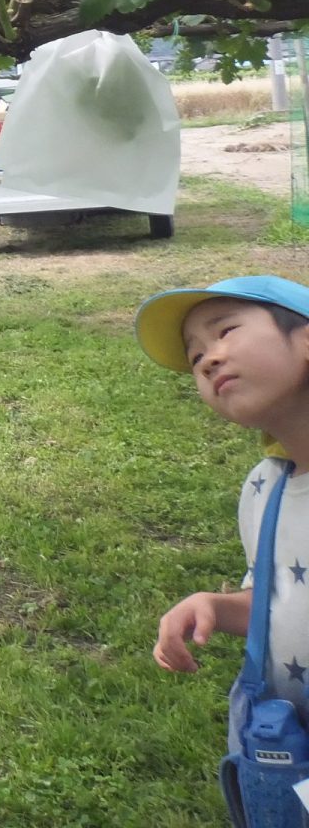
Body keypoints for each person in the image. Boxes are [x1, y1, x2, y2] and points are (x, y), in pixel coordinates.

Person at [142, 277, 309, 703]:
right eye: (195, 356)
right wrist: (215, 607)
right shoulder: (263, 489)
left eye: (226, 330)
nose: (207, 361)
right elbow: (278, 602)